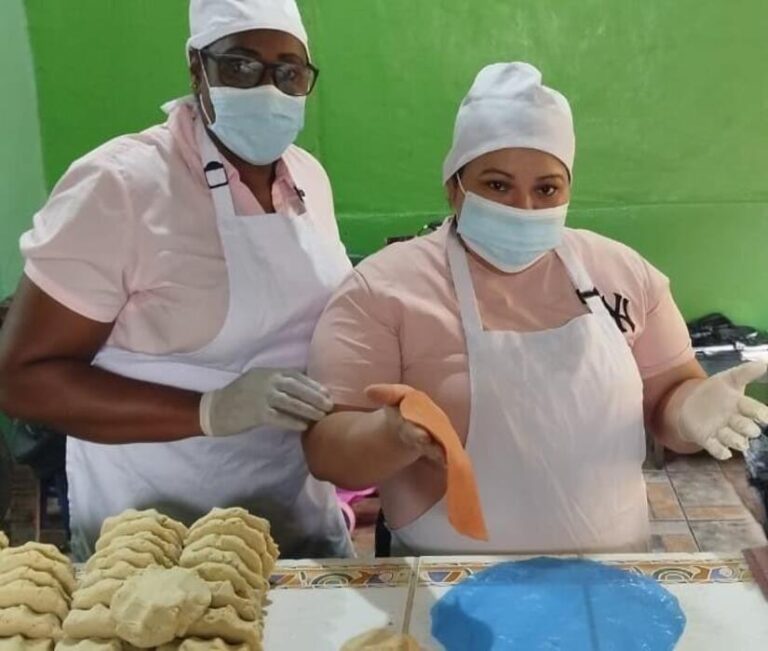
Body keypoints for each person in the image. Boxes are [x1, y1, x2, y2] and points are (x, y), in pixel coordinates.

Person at [303, 62, 768, 556]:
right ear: (454, 185)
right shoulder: (382, 289)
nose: (523, 206)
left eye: (547, 188)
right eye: (497, 185)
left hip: (607, 572)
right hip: (445, 580)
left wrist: (692, 410)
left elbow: (669, 401)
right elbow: (328, 453)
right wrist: (390, 436)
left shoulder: (623, 273)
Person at [0, 0, 353, 560]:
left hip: (296, 529)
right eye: (240, 66)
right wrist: (208, 410)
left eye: (289, 73)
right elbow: (23, 378)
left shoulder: (307, 179)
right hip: (155, 545)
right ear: (197, 68)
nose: (269, 90)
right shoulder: (121, 187)